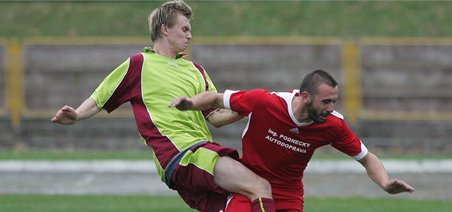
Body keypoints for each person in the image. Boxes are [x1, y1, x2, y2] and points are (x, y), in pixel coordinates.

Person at [51, 1, 275, 211]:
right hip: (182, 154)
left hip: (198, 153)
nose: (190, 35)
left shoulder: (196, 70)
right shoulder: (139, 63)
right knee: (260, 187)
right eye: (184, 29)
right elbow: (100, 97)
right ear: (165, 29)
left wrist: (252, 107)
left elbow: (215, 117)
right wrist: (77, 114)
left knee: (240, 204)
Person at [171, 70, 415, 211]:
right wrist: (190, 104)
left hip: (288, 195)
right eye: (326, 102)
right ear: (305, 97)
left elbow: (366, 157)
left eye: (334, 102)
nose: (331, 108)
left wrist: (385, 183)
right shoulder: (266, 102)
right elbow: (215, 98)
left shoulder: (332, 125)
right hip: (248, 186)